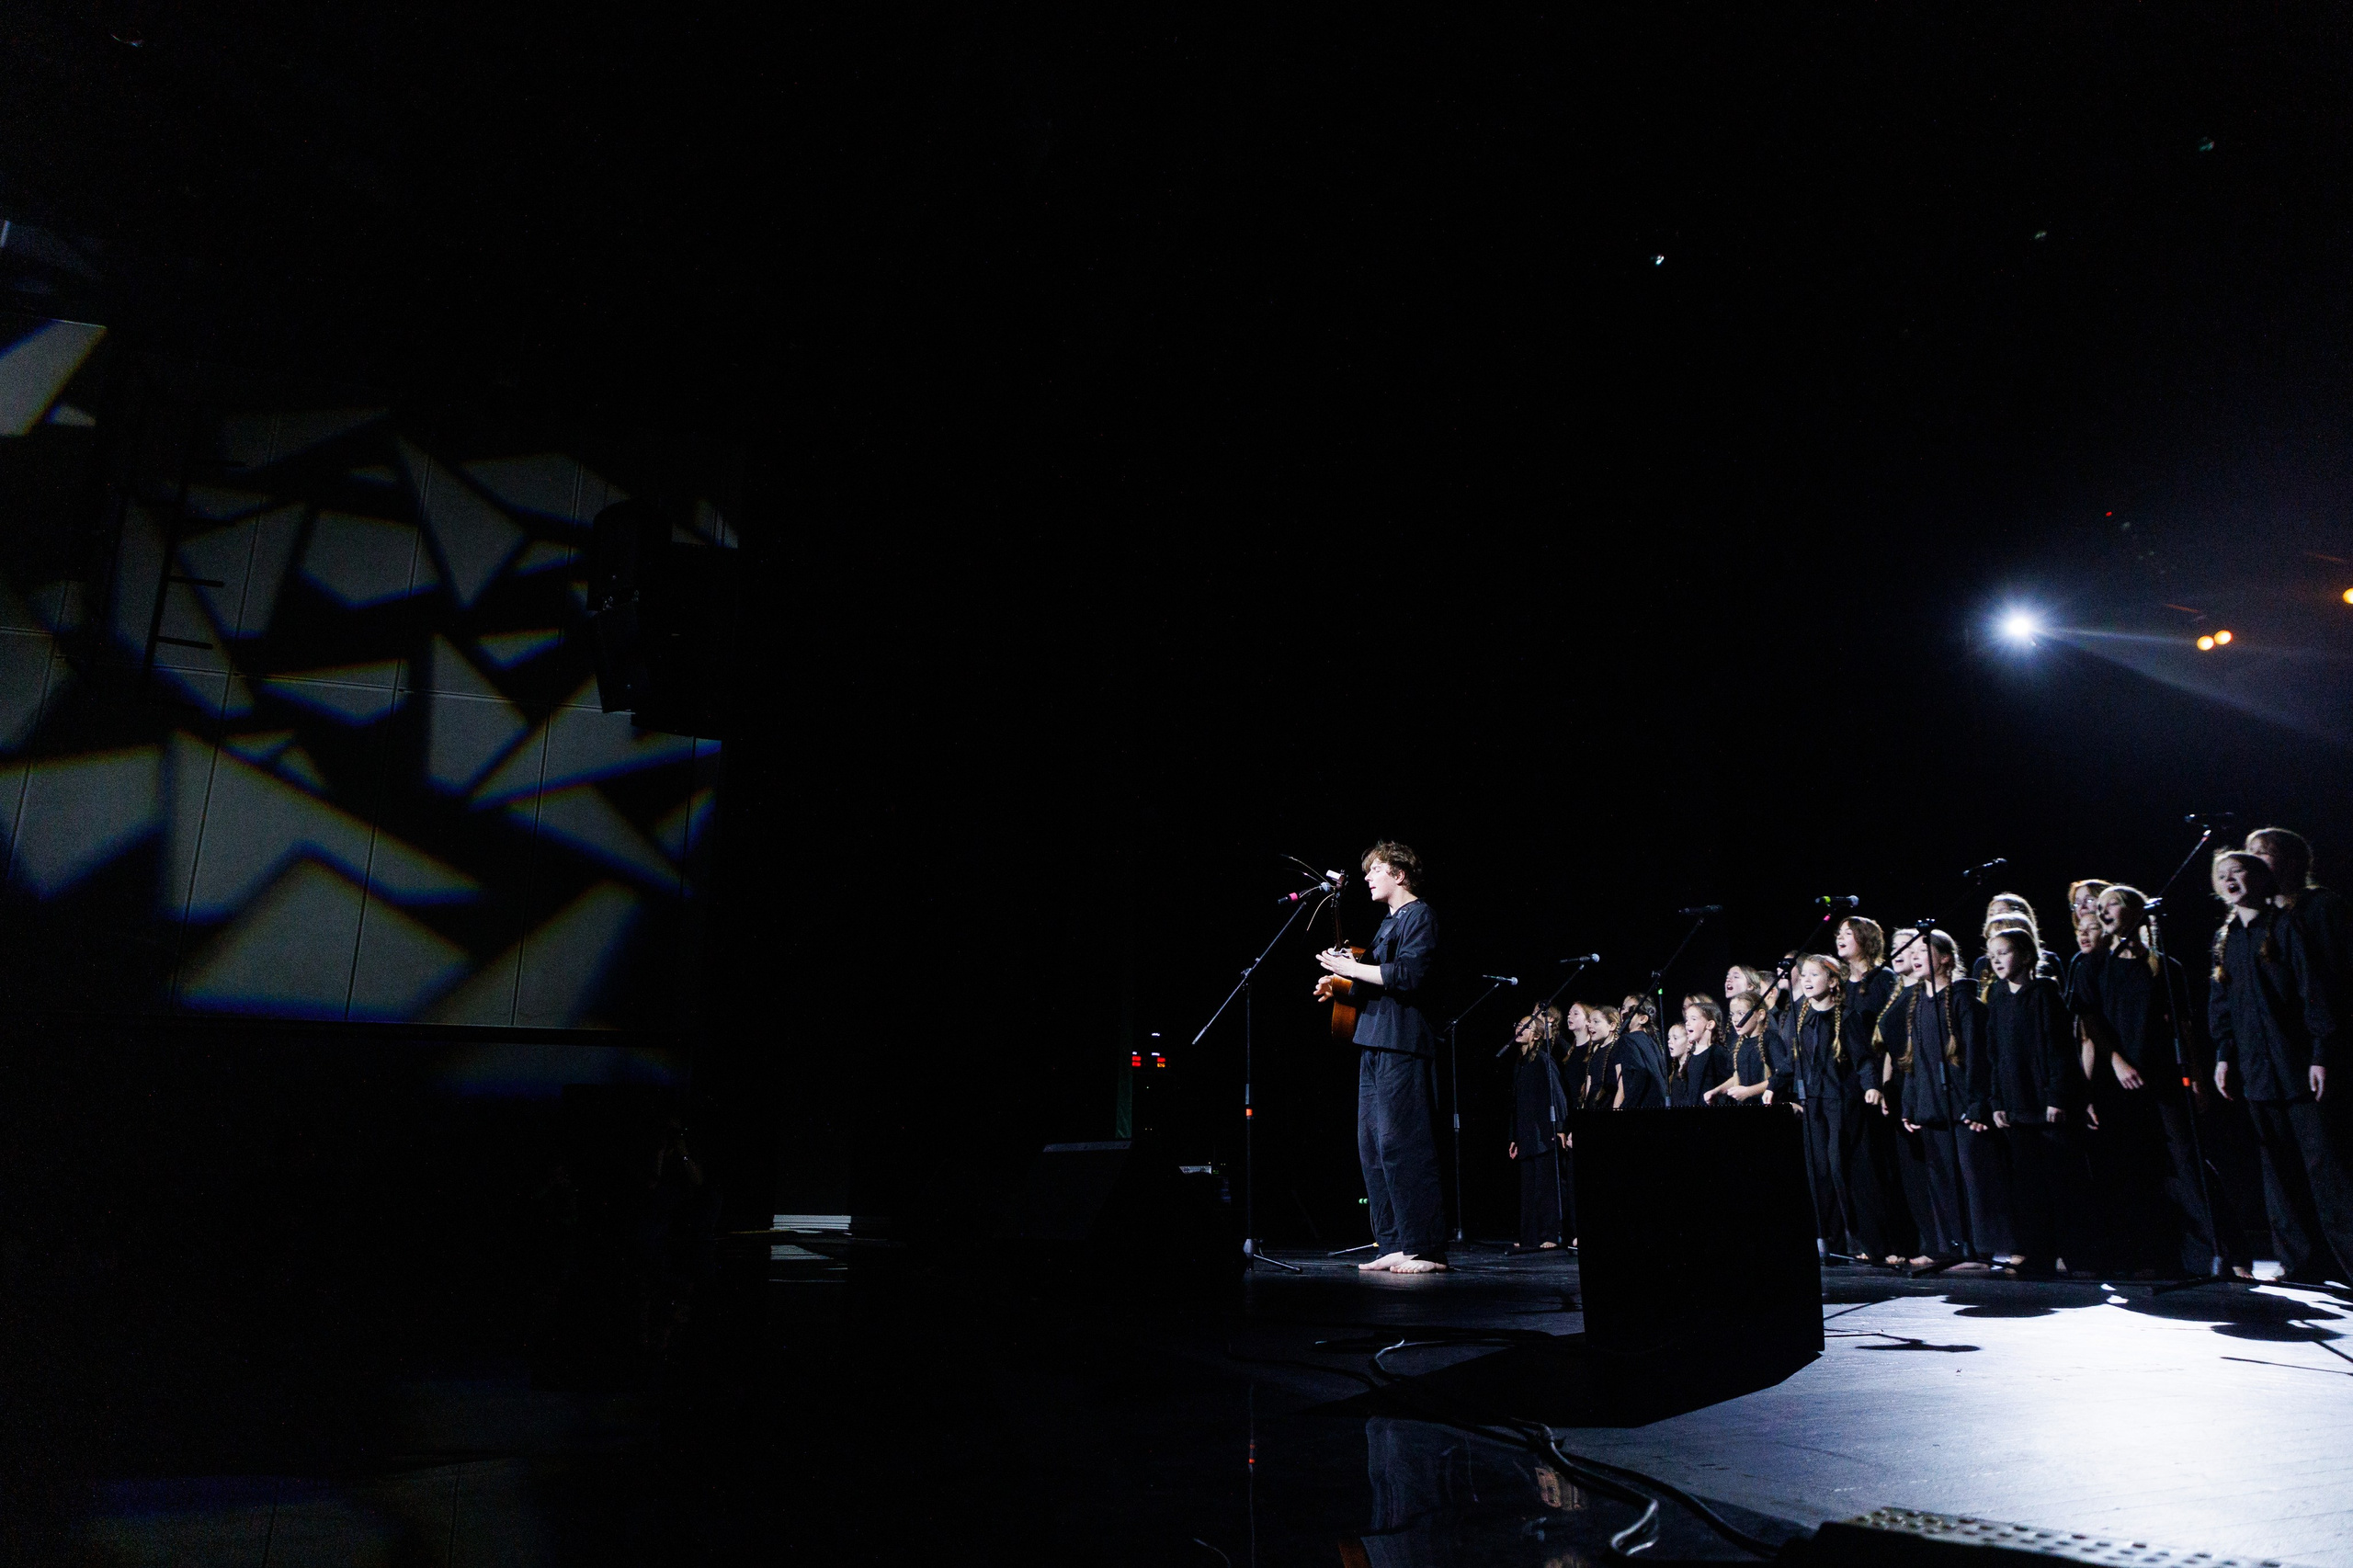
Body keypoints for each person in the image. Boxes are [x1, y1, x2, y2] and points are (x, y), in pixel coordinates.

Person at [2209, 850, 2353, 1286]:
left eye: (2238, 871)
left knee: (2326, 1170)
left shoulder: (2286, 925)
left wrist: (2321, 1053)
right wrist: (2223, 1056)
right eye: (2221, 875)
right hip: (2256, 1071)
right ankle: (2300, 1262)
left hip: (2297, 1065)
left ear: (2259, 877)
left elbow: (2314, 992)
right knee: (2278, 1172)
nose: (2230, 880)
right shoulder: (2227, 937)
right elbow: (2223, 1006)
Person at [1316, 841, 1448, 1275]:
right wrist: (1337, 984)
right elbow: (1369, 983)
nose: (1369, 878)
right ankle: (1394, 1240)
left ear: (1400, 874)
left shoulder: (1420, 916)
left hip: (1403, 1042)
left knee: (1403, 1143)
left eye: (1376, 870)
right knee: (1372, 1146)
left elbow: (1408, 976)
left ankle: (1425, 1247)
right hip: (1372, 1041)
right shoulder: (1385, 925)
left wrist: (1352, 970)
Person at [2073, 883, 2216, 1277]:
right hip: (2115, 1080)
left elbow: (2183, 1027)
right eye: (2098, 907)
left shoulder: (2165, 966)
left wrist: (2197, 1076)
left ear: (2135, 911)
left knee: (2184, 1164)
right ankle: (2140, 1256)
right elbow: (2090, 1022)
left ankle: (2208, 1254)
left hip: (2163, 1077)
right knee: (2129, 1168)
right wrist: (2115, 1062)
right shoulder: (2093, 964)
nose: (2102, 912)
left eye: (2111, 904)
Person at [1883, 929, 1994, 1271]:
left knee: (1970, 1176)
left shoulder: (1963, 1001)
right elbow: (1912, 1060)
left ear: (1946, 958)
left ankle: (1979, 1251)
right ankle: (1951, 1247)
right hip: (1930, 1104)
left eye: (1923, 950)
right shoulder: (1917, 1004)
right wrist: (1910, 1103)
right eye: (1911, 950)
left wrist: (1978, 1104)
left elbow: (1977, 1057)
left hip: (1960, 1103)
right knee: (1941, 1177)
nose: (1914, 956)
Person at [1984, 927, 2084, 1276]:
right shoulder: (1996, 997)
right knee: (2027, 1186)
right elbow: (1994, 1055)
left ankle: (2071, 1252)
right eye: (1991, 953)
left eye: (2004, 952)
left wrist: (2056, 1096)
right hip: (2014, 1105)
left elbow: (2059, 1049)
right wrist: (1996, 1100)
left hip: (2044, 1104)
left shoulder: (2044, 994)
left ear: (2025, 956)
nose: (1995, 959)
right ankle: (2036, 1251)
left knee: (2059, 1182)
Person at [1789, 952, 1894, 1264]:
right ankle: (1833, 1246)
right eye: (1803, 975)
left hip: (1842, 1104)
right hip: (1814, 1104)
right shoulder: (1803, 1019)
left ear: (1832, 981)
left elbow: (1862, 1059)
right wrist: (1778, 1088)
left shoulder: (1847, 1017)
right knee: (1819, 1173)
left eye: (1813, 975)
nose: (1806, 981)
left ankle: (1869, 1242)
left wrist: (1872, 1085)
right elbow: (1794, 1063)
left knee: (1841, 1167)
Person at [1506, 1008, 1572, 1254]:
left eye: (1526, 1027)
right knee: (1529, 1188)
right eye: (1518, 1025)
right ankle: (1530, 1236)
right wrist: (1513, 1136)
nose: (1519, 1030)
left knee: (1546, 1187)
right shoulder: (1520, 1063)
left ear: (1536, 1036)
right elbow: (1515, 1104)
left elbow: (1558, 1097)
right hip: (1526, 1133)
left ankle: (1550, 1234)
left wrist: (1561, 1128)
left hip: (1544, 1133)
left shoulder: (1544, 1060)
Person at [1706, 990, 1787, 1108]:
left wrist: (1749, 1091)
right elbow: (1738, 1076)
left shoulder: (1771, 1039)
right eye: (1733, 1014)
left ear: (1760, 1015)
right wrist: (1717, 1091)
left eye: (1741, 1013)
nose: (1735, 1019)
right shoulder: (1739, 1043)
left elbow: (1780, 1077)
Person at [1672, 996, 1731, 1109]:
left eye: (1693, 1019)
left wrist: (1717, 1093)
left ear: (1709, 1025)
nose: (1687, 1023)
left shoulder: (1717, 1053)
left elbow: (1733, 1078)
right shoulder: (1692, 1055)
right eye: (1687, 1019)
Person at [1611, 995, 1670, 1108]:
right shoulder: (1652, 1041)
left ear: (1643, 1019)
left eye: (1631, 1010)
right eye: (1623, 1008)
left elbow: (1640, 1072)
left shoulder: (1628, 1040)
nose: (1624, 1013)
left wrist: (1627, 1106)